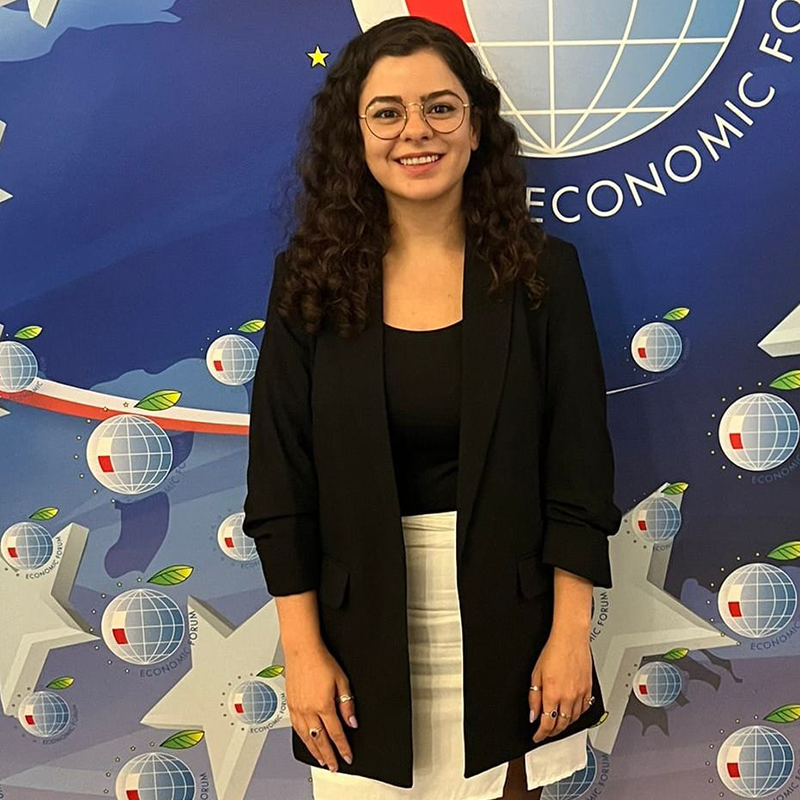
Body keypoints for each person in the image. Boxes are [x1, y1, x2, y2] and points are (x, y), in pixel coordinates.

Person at [243, 14, 622, 800]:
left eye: (440, 108)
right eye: (387, 112)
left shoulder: (544, 275)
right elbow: (280, 488)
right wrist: (301, 655)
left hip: (516, 639)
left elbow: (578, 473)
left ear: (475, 127)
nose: (416, 131)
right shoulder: (306, 282)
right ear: (355, 135)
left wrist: (570, 636)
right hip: (357, 644)